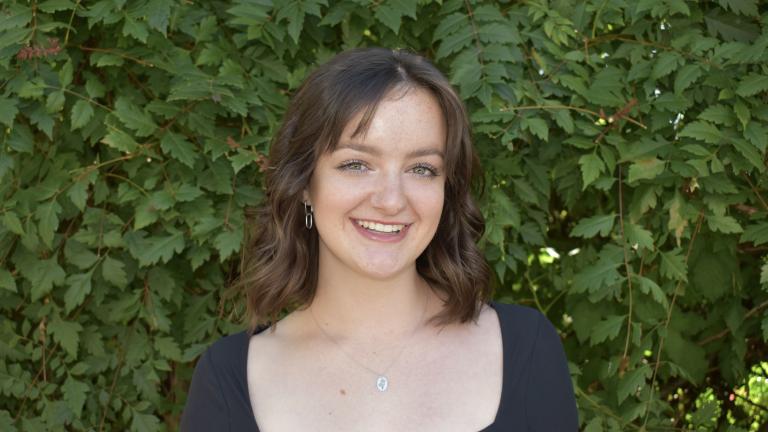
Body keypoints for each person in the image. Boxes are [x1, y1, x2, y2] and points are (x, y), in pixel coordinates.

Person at [180, 47, 578, 431]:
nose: (391, 200)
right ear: (303, 184)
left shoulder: (525, 349)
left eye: (422, 169)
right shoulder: (231, 379)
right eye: (356, 164)